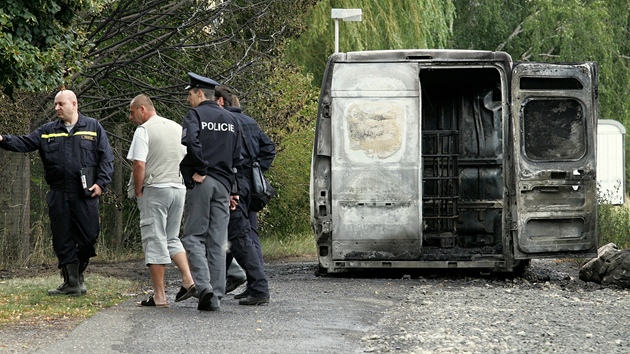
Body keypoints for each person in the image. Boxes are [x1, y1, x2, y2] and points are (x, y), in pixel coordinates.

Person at [0, 89, 114, 296]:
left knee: (89, 237)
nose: (57, 108)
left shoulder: (93, 127)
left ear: (74, 104)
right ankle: (72, 283)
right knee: (62, 238)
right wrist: (2, 139)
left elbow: (106, 157)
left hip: (85, 193)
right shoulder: (47, 130)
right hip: (59, 193)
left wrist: (101, 183)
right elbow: (25, 143)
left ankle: (78, 274)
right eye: (55, 104)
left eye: (61, 104)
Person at [180, 72, 242, 311]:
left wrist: (202, 167)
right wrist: (233, 190)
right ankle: (215, 297)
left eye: (189, 94)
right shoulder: (231, 118)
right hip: (225, 185)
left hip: (203, 182)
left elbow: (191, 142)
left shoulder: (194, 115)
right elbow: (237, 157)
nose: (188, 99)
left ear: (199, 93)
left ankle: (204, 287)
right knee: (217, 241)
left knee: (193, 236)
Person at [127, 94, 196, 307]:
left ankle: (159, 295)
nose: (130, 117)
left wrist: (139, 190)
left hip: (156, 189)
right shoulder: (177, 127)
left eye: (132, 112)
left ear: (142, 110)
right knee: (172, 237)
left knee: (154, 238)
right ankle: (188, 279)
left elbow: (139, 164)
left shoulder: (144, 130)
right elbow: (189, 156)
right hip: (178, 187)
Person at [214, 85, 276, 302]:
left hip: (235, 184)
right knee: (244, 233)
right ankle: (225, 285)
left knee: (238, 235)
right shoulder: (250, 122)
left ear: (221, 101)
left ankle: (259, 288)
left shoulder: (224, 123)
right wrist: (257, 169)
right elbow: (269, 148)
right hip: (251, 185)